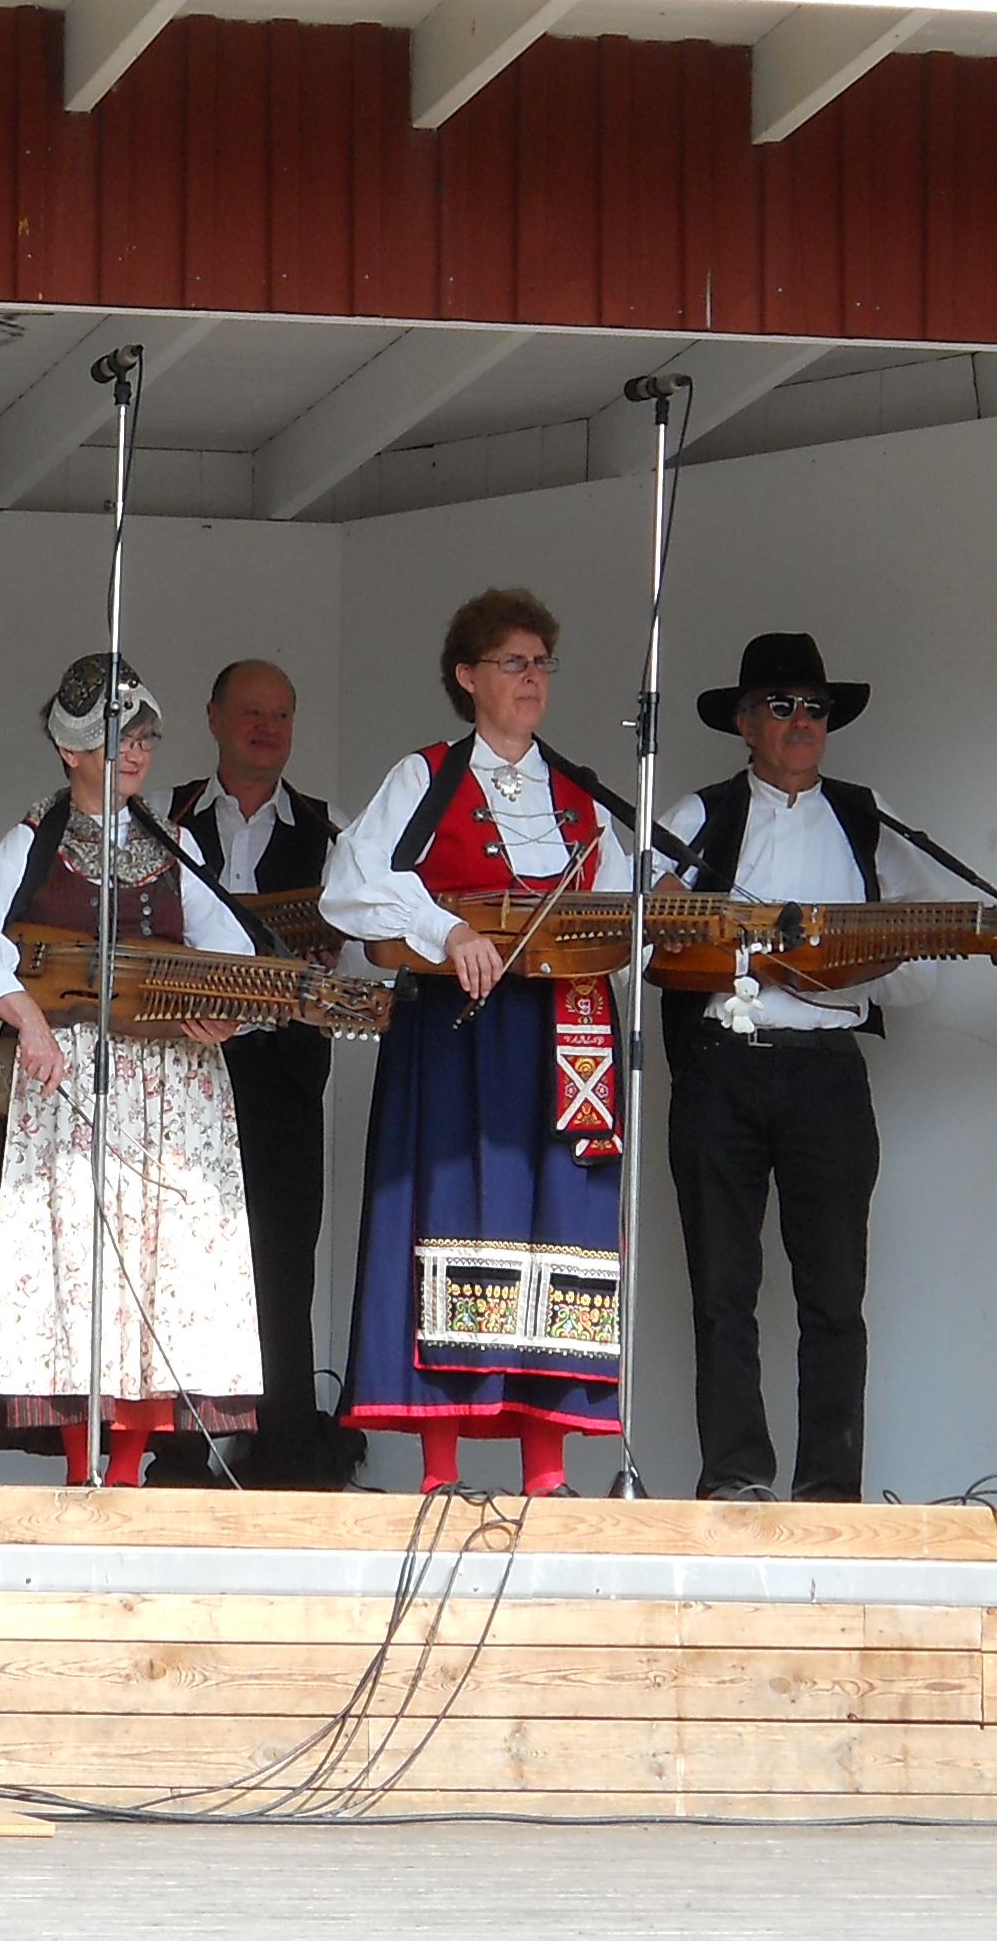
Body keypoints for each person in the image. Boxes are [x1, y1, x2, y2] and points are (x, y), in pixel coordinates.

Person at [322, 588, 633, 1497]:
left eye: (542, 662)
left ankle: (547, 1469)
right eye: (513, 662)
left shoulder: (580, 794)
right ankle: (440, 1465)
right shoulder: (425, 778)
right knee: (451, 1216)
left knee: (559, 1222)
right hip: (457, 1031)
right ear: (468, 676)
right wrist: (444, 929)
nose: (532, 678)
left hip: (565, 1039)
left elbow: (624, 912)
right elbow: (351, 884)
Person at [0, 654, 263, 1489]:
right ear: (70, 750)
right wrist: (28, 1018)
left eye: (145, 737)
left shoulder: (174, 843)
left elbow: (236, 950)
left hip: (166, 1083)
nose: (135, 753)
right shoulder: (32, 838)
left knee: (159, 1263)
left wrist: (229, 1006)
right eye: (115, 738)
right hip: (70, 1077)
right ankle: (83, 1465)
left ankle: (128, 1468)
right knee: (75, 1261)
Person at [659, 632, 957, 1505]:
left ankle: (832, 1488)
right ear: (746, 723)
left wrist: (830, 973)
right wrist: (693, 935)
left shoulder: (868, 818)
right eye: (782, 706)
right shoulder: (696, 815)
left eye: (815, 708)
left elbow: (925, 964)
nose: (801, 723)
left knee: (835, 1295)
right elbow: (644, 936)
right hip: (721, 1065)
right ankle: (736, 1480)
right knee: (723, 1289)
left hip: (827, 1073)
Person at [156, 658, 362, 1489]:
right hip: (174, 1062)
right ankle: (175, 1446)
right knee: (175, 1249)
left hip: (280, 1068)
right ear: (212, 718)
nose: (267, 728)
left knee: (281, 1253)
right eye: (251, 712)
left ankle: (286, 1447)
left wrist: (321, 967)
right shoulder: (155, 820)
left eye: (281, 714)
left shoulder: (331, 826)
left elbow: (362, 963)